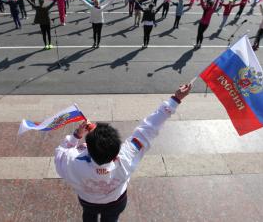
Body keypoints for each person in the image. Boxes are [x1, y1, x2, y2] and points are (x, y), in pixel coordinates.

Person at [55, 83, 192, 222]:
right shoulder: (127, 156)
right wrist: (176, 99)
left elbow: (61, 151)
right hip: (116, 202)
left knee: (89, 216)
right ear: (117, 149)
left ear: (88, 148)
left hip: (87, 201)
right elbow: (149, 128)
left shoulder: (71, 161)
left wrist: (76, 136)